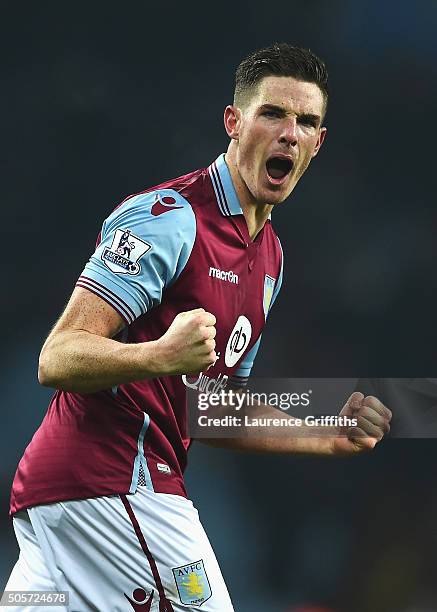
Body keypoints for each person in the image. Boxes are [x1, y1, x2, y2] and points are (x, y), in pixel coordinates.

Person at [5, 43, 391, 611]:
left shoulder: (270, 261)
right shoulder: (169, 218)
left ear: (318, 143)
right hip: (116, 483)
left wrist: (323, 430)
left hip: (65, 500)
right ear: (234, 122)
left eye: (306, 121)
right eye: (272, 114)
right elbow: (56, 357)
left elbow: (209, 410)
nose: (289, 133)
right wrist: (159, 356)